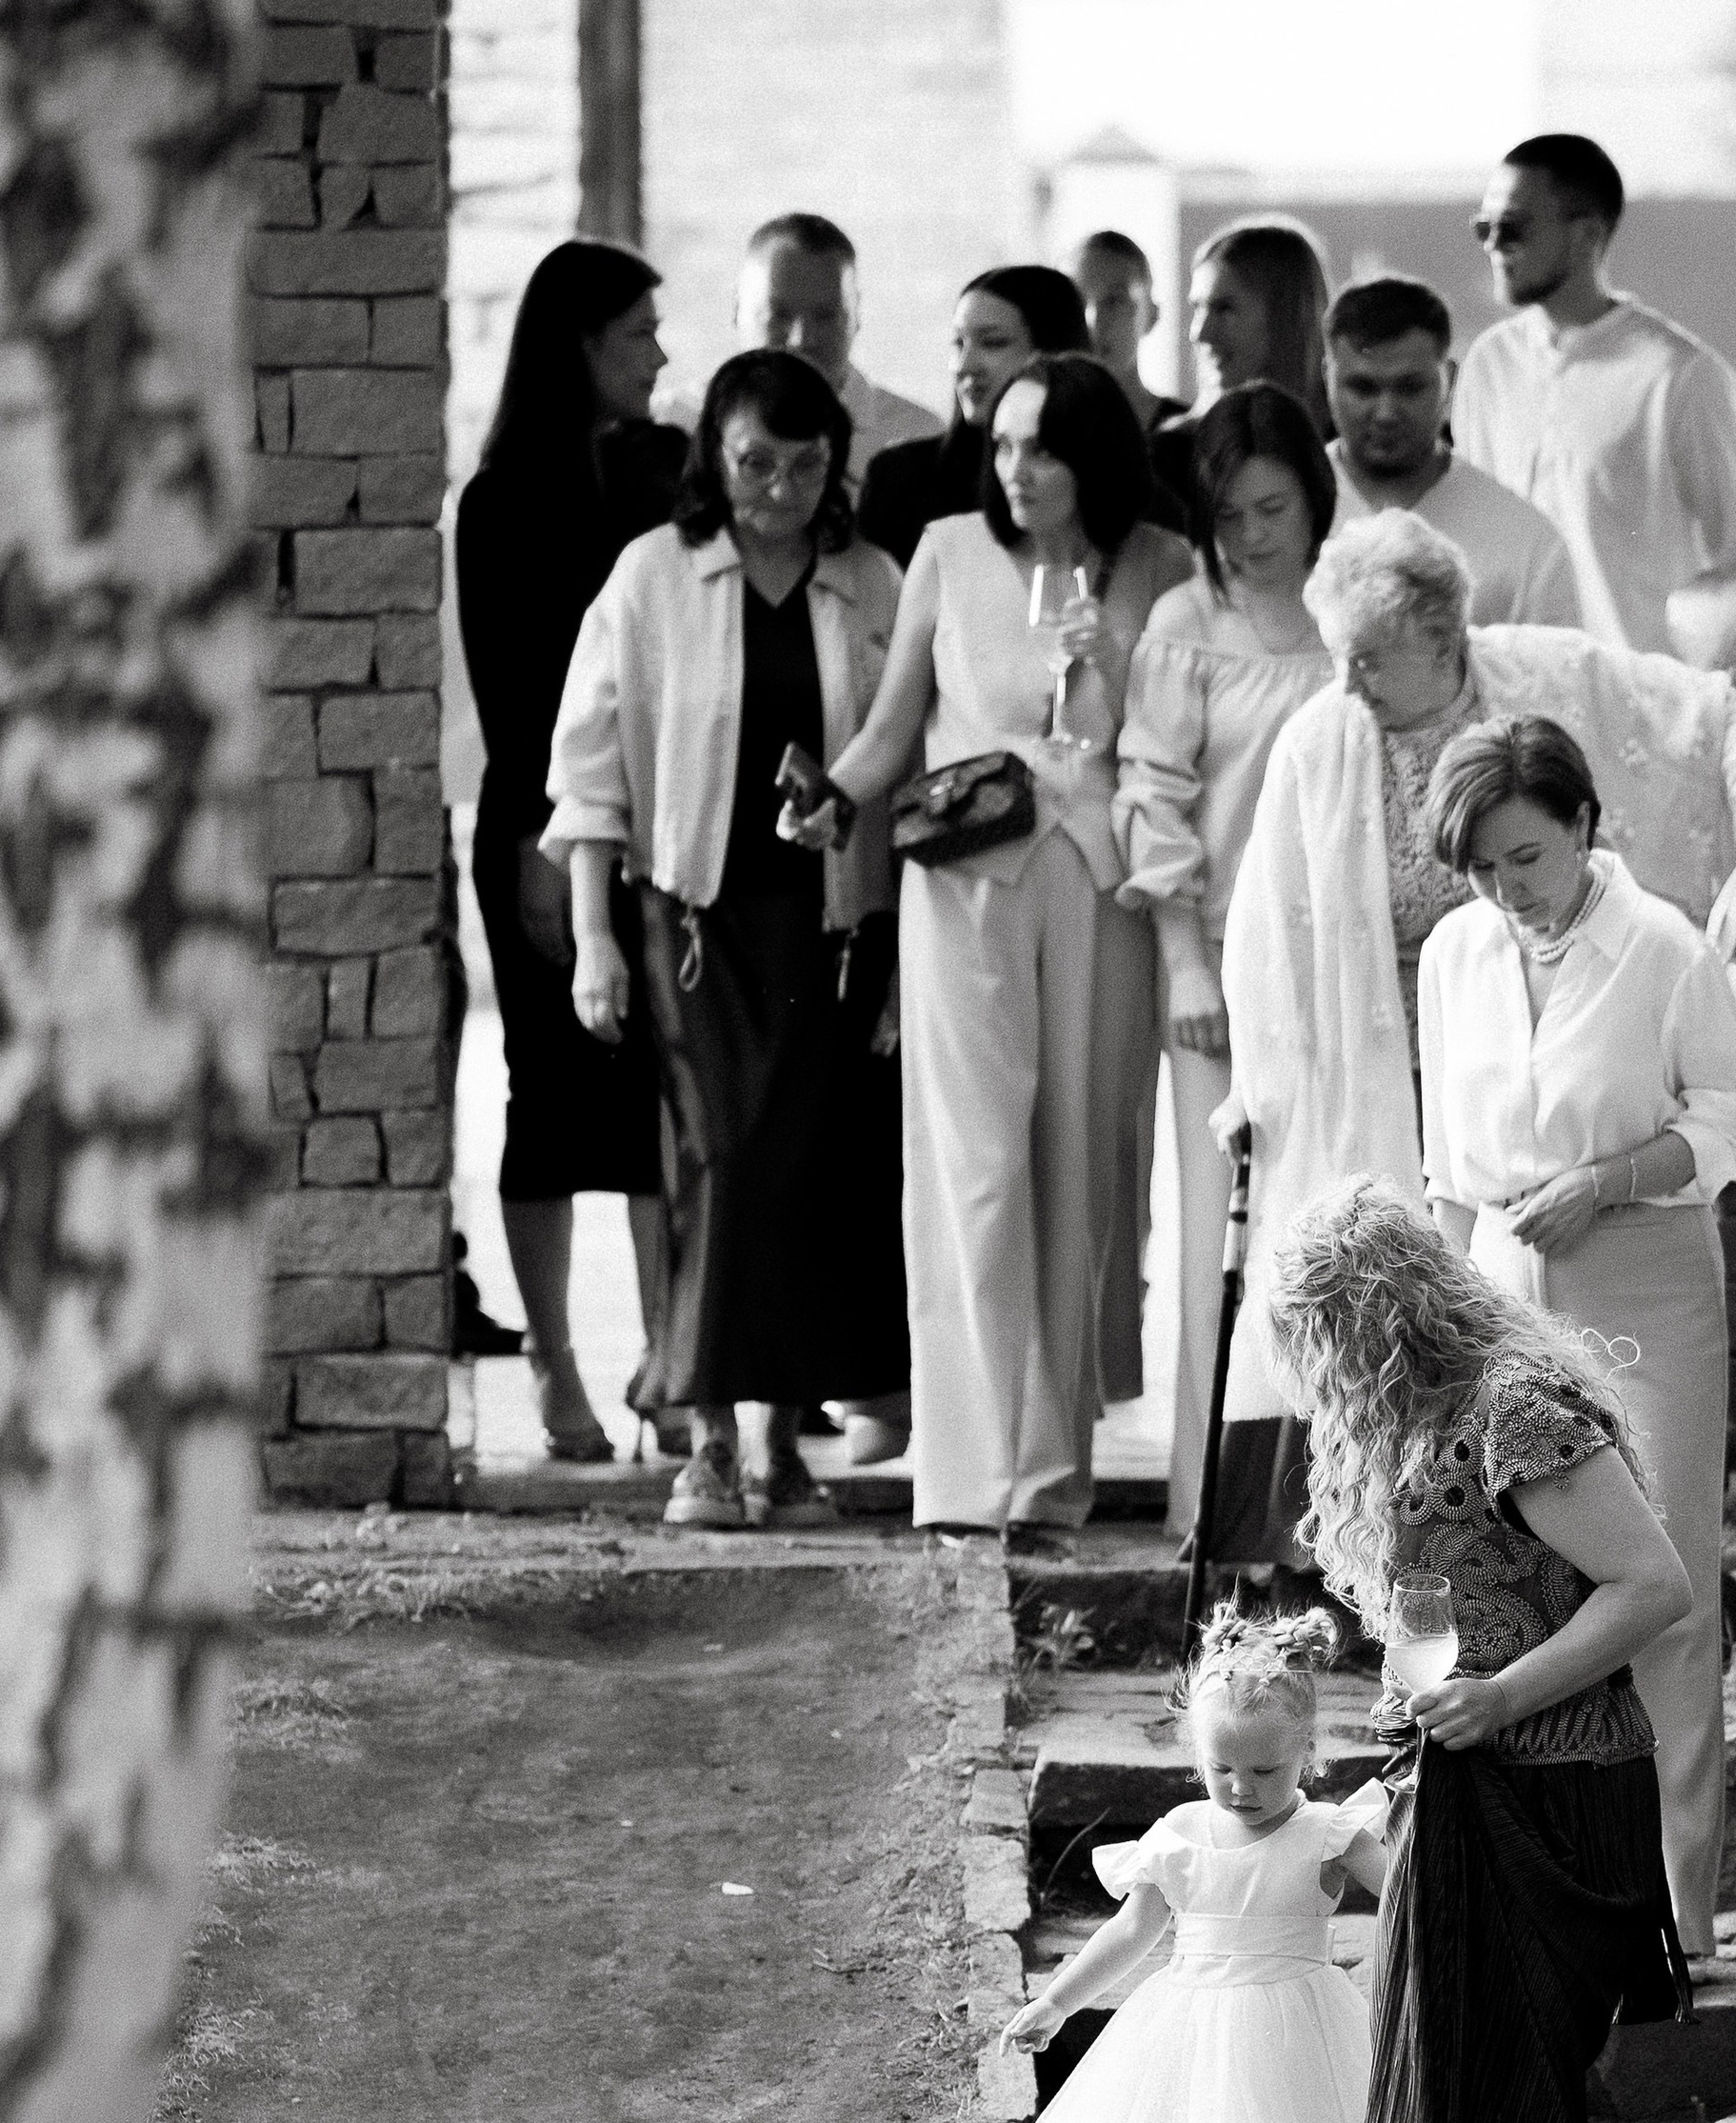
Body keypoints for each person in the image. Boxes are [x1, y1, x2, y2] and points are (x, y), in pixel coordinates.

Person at [1270, 1178, 1692, 2123]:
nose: (1318, 1376)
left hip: (1559, 1805)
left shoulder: (1516, 1406)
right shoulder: (1415, 1420)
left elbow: (1652, 1587)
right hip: (1455, 1798)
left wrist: (1500, 1695)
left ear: (1376, 1323)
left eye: (1325, 1341)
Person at [1215, 513, 1736, 1481]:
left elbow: (1705, 713)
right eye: (1338, 657)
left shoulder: (1544, 680)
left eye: (1367, 659)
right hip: (1381, 1065)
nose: (1345, 682)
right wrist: (1256, 1081)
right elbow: (1265, 936)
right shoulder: (1320, 738)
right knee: (1384, 1320)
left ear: (1443, 640)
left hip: (1554, 1045)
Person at [1420, 716, 1736, 1955]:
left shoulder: (1663, 948)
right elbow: (1447, 1172)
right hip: (1497, 1295)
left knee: (1663, 1593)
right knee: (1521, 1586)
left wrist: (1612, 1180)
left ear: (1583, 826)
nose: (1503, 890)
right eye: (1479, 868)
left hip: (1644, 1288)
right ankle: (1535, 1904)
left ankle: (1677, 1929)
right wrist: (1449, 1329)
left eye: (1523, 858)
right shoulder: (1456, 955)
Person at [812, 354, 1194, 1541]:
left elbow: (1167, 735)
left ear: (1095, 459)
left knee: (1079, 1169)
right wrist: (831, 804)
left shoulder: (1160, 565)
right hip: (963, 882)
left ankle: (1050, 1471)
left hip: (1097, 882)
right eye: (1005, 443)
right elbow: (890, 729)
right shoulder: (945, 548)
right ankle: (967, 1475)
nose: (1014, 468)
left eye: (1042, 448)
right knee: (969, 1170)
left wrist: (1116, 659)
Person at [544, 350, 907, 1530]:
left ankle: (782, 1447)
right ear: (714, 453)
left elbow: (908, 759)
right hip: (691, 921)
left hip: (831, 928)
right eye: (756, 461)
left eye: (808, 466)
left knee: (804, 1181)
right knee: (720, 1164)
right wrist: (594, 939)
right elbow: (589, 775)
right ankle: (702, 1436)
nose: (782, 489)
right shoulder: (653, 576)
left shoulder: (871, 580)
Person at [986, 1608, 1389, 2123]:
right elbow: (1132, 1931)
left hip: (1299, 2032)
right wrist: (1056, 2000)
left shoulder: (1328, 1832)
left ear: (1308, 1757)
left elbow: (1412, 1900)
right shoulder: (1178, 1836)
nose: (1241, 1788)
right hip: (1201, 2037)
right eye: (1222, 1769)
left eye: (1266, 1771)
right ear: (1195, 1758)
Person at [454, 238, 683, 1460]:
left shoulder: (663, 472)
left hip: (656, 827)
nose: (660, 353)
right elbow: (512, 693)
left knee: (659, 1098)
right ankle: (552, 1360)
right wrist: (551, 848)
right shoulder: (499, 501)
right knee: (546, 1098)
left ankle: (667, 1355)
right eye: (640, 332)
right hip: (538, 828)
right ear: (580, 345)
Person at [1115, 386, 1336, 1539]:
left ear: (1313, 495)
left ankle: (1324, 1518)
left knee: (1331, 1236)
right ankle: (1216, 1512)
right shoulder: (1182, 621)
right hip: (1213, 971)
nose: (1253, 536)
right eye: (1229, 514)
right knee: (1221, 1238)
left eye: (1272, 507)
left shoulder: (1351, 609)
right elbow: (1149, 795)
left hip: (1339, 974)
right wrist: (1182, 964)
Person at [1454, 133, 1736, 656]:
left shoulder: (1680, 377)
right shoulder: (1488, 366)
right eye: (1483, 228)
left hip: (1640, 707)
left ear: (1586, 236)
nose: (1493, 245)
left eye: (1511, 228)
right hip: (1509, 704)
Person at [1325, 274, 1576, 631]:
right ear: (1327, 379)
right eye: (1363, 388)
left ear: (1450, 380)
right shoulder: (1268, 514)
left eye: (1410, 388)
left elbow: (1557, 682)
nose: (1385, 412)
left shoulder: (1527, 542)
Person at [856, 264, 1092, 572]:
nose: (965, 364)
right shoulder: (901, 477)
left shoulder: (1122, 486)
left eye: (992, 343)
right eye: (958, 343)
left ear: (1053, 351)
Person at [734, 210, 936, 489]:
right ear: (736, 311)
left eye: (825, 315)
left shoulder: (918, 441)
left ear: (856, 315)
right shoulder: (679, 426)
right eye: (778, 315)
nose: (801, 340)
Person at [1149, 217, 1332, 514]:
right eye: (1197, 308)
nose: (1200, 332)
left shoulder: (1349, 446)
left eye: (1224, 309)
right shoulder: (1173, 457)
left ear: (1286, 317)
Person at [1073, 227, 1185, 438]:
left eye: (1114, 301)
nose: (1093, 321)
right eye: (1077, 302)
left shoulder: (1189, 437)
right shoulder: (1033, 433)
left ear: (1151, 315)